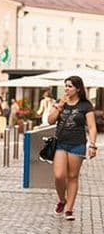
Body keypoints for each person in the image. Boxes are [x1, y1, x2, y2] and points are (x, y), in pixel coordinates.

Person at [48, 76, 97, 221]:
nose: (66, 89)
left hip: (77, 144)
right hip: (61, 144)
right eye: (66, 86)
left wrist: (92, 145)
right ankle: (62, 200)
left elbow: (92, 127)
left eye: (70, 86)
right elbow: (50, 120)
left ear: (78, 89)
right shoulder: (60, 102)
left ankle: (69, 209)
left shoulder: (85, 105)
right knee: (59, 176)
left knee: (72, 177)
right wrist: (59, 106)